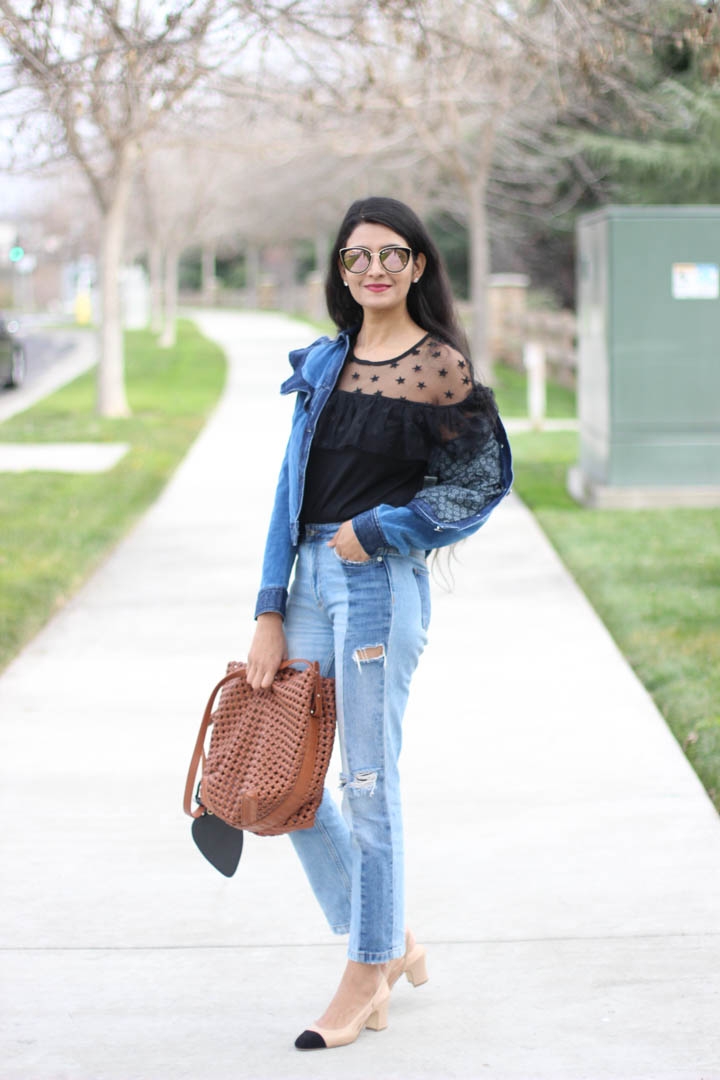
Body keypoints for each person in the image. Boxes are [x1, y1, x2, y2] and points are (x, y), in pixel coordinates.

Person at [247, 196, 512, 1051]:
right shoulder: (326, 362)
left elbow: (481, 482)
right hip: (306, 583)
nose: (371, 271)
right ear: (341, 268)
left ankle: (366, 974)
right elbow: (289, 490)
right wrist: (265, 607)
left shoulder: (440, 368)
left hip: (375, 583)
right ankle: (390, 937)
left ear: (418, 266)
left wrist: (380, 530)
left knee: (366, 783)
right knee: (277, 780)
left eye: (389, 256)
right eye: (354, 257)